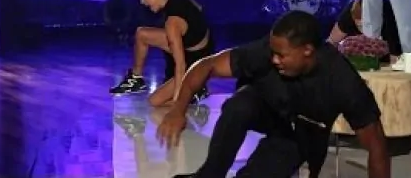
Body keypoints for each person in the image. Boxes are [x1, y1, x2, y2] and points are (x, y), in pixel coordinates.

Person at [156, 10, 390, 178]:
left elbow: (377, 146)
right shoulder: (268, 51)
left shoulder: (341, 80)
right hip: (266, 108)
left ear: (307, 51)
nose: (275, 59)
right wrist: (178, 109)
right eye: (273, 52)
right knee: (239, 105)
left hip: (298, 135)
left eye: (282, 55)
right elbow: (207, 65)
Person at [110, 0, 213, 106]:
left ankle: (197, 89)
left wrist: (178, 103)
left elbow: (181, 65)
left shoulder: (172, 23)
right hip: (194, 48)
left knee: (155, 101)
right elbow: (200, 9)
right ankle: (136, 79)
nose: (142, 2)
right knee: (142, 34)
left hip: (196, 63)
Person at [327, 0, 402, 63]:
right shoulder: (347, 18)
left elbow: (395, 58)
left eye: (366, 25)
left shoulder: (389, 18)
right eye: (359, 26)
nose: (363, 30)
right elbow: (331, 43)